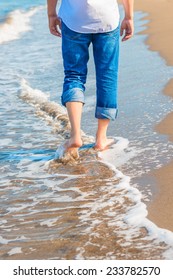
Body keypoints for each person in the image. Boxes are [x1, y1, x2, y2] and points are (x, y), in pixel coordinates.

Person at [47, 0, 134, 156]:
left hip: (74, 19)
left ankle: (75, 135)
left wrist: (51, 14)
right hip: (107, 18)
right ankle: (101, 138)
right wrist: (129, 16)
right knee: (107, 75)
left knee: (74, 75)